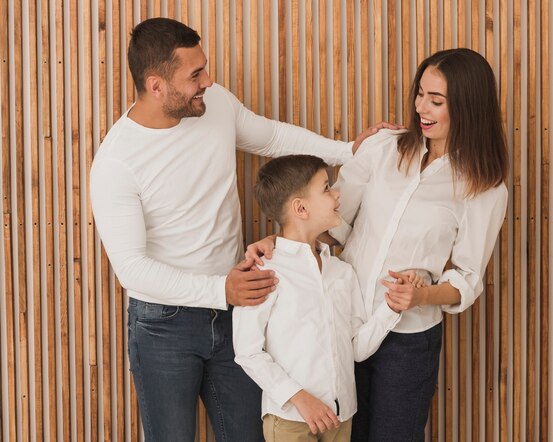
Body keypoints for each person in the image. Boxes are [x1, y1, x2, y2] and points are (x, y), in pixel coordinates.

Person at [89, 17, 396, 442]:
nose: (208, 81)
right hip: (164, 325)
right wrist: (222, 290)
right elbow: (132, 269)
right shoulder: (116, 162)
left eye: (205, 67)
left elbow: (270, 137)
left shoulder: (213, 103)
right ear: (156, 85)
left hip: (240, 310)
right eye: (195, 74)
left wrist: (346, 150)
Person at [247, 48, 509, 441]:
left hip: (408, 340)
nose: (422, 107)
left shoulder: (484, 187)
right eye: (420, 94)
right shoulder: (383, 148)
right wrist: (276, 242)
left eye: (436, 101)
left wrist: (419, 297)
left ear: (469, 107)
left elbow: (468, 278)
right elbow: (330, 219)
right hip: (342, 322)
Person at [233, 155, 428, 442]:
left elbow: (357, 350)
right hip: (291, 421)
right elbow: (248, 352)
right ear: (301, 208)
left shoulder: (342, 272)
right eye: (326, 188)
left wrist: (391, 307)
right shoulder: (264, 271)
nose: (337, 194)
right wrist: (298, 397)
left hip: (341, 417)